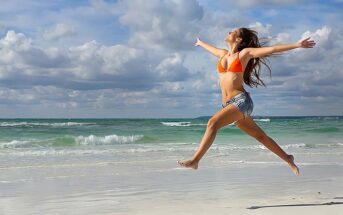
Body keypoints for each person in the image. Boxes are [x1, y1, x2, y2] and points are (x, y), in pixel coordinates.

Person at [177, 27, 316, 176]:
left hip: (241, 102)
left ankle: (195, 160)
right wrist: (200, 42)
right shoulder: (223, 54)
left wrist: (297, 45)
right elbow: (211, 49)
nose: (229, 32)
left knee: (212, 123)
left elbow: (272, 49)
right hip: (229, 105)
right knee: (260, 137)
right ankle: (288, 158)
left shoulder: (244, 54)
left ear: (239, 39)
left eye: (233, 32)